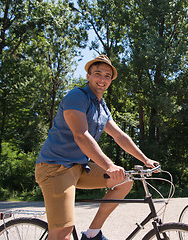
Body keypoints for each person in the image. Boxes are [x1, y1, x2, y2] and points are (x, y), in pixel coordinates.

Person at [35, 55, 158, 240]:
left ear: (110, 80)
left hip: (78, 167)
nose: (102, 79)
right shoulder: (76, 97)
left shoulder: (101, 107)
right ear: (88, 76)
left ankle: (92, 234)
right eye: (98, 74)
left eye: (107, 76)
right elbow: (80, 135)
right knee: (63, 232)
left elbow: (119, 136)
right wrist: (109, 165)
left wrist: (145, 160)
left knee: (125, 181)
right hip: (56, 167)